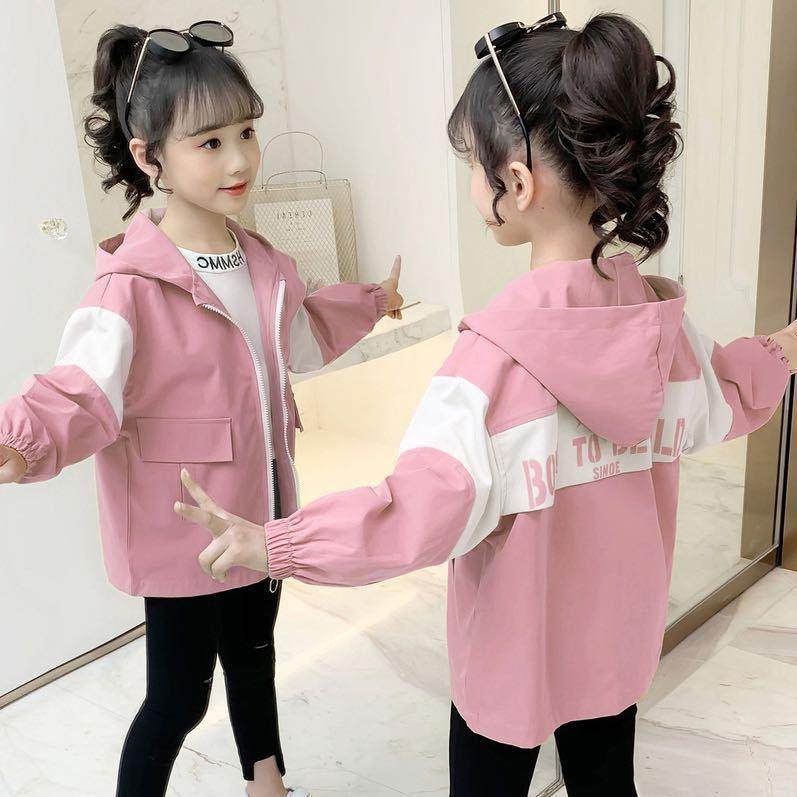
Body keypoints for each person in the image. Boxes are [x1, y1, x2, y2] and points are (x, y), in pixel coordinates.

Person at [175, 12, 796, 797]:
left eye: (473, 163)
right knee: (607, 781)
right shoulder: (654, 327)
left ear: (516, 183)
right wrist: (784, 347)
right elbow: (727, 398)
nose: (472, 184)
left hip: (511, 660)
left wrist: (280, 543)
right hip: (616, 641)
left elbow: (417, 511)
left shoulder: (491, 362)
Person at [0, 21, 402, 797]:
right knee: (178, 698)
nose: (240, 159)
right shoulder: (129, 286)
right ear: (149, 156)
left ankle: (267, 781)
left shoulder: (262, 261)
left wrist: (372, 301)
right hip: (181, 527)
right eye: (209, 142)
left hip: (261, 510)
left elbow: (301, 333)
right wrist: (18, 440)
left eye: (246, 131)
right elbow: (80, 388)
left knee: (255, 657)